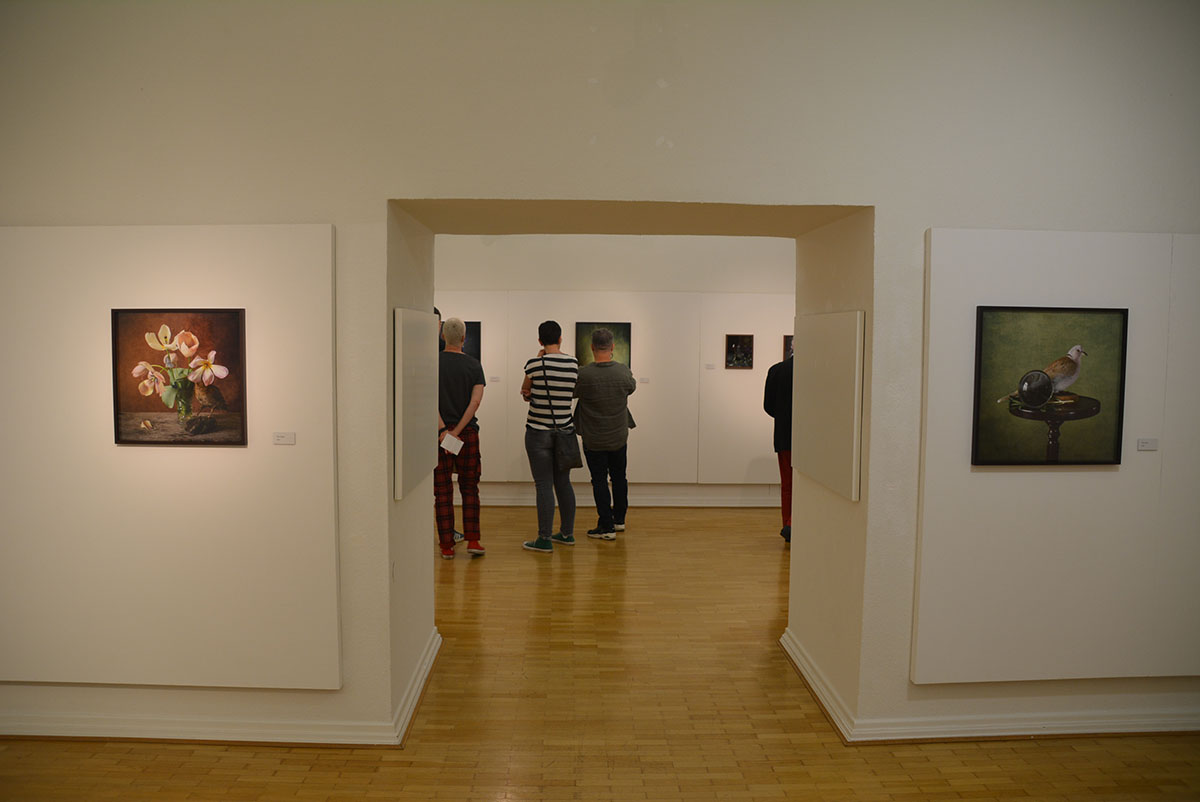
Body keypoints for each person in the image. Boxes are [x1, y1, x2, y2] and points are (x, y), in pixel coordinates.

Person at [518, 321, 579, 553]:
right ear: (561, 338)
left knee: (544, 485)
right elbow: (571, 392)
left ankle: (544, 539)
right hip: (564, 431)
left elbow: (525, 390)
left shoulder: (534, 363)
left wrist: (531, 390)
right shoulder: (574, 363)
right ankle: (567, 533)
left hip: (537, 431)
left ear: (540, 341)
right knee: (563, 482)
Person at [573, 327, 636, 540]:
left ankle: (606, 526)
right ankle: (619, 520)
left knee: (599, 480)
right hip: (618, 436)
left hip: (593, 438)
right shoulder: (623, 371)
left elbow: (573, 393)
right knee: (619, 478)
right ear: (612, 347)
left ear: (592, 347)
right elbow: (631, 387)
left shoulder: (583, 374)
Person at [435, 318, 486, 559]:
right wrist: (457, 432)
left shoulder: (431, 363)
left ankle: (447, 545)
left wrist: (444, 430)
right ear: (464, 339)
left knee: (442, 490)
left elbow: (427, 399)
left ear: (443, 336)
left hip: (438, 435)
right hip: (467, 434)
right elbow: (475, 402)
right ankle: (473, 540)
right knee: (469, 487)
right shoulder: (474, 366)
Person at [764, 352, 794, 543]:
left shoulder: (777, 370)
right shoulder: (816, 371)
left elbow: (768, 406)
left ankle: (788, 525)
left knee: (788, 485)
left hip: (784, 437)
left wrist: (784, 418)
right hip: (811, 438)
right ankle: (795, 524)